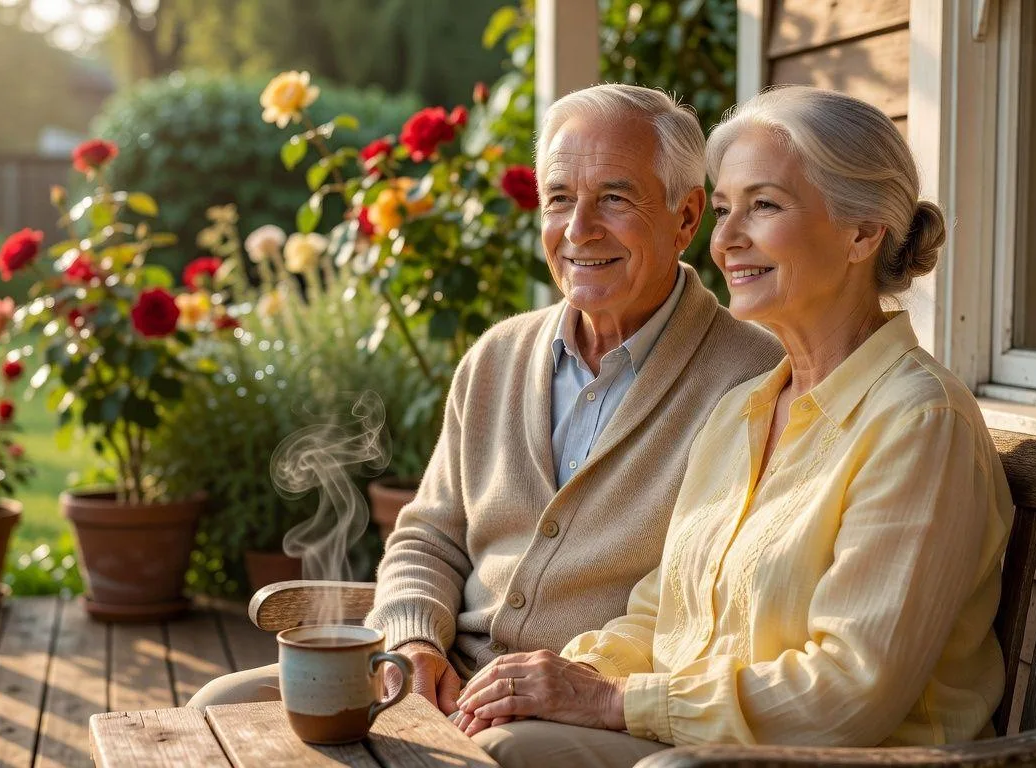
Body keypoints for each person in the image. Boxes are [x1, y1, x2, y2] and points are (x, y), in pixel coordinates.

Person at [453, 85, 1015, 767]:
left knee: (501, 756)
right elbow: (660, 613)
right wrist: (562, 677)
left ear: (862, 232)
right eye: (724, 209)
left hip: (853, 758)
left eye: (765, 205)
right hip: (698, 748)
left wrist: (612, 702)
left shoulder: (921, 423)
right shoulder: (744, 409)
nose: (726, 239)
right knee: (478, 739)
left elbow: (849, 693)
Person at [186, 84, 782, 710]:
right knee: (218, 709)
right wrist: (415, 642)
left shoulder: (752, 376)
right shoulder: (497, 357)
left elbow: (714, 595)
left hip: (586, 707)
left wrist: (588, 689)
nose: (577, 229)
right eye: (558, 199)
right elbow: (429, 536)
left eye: (614, 197)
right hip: (447, 675)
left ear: (686, 216)